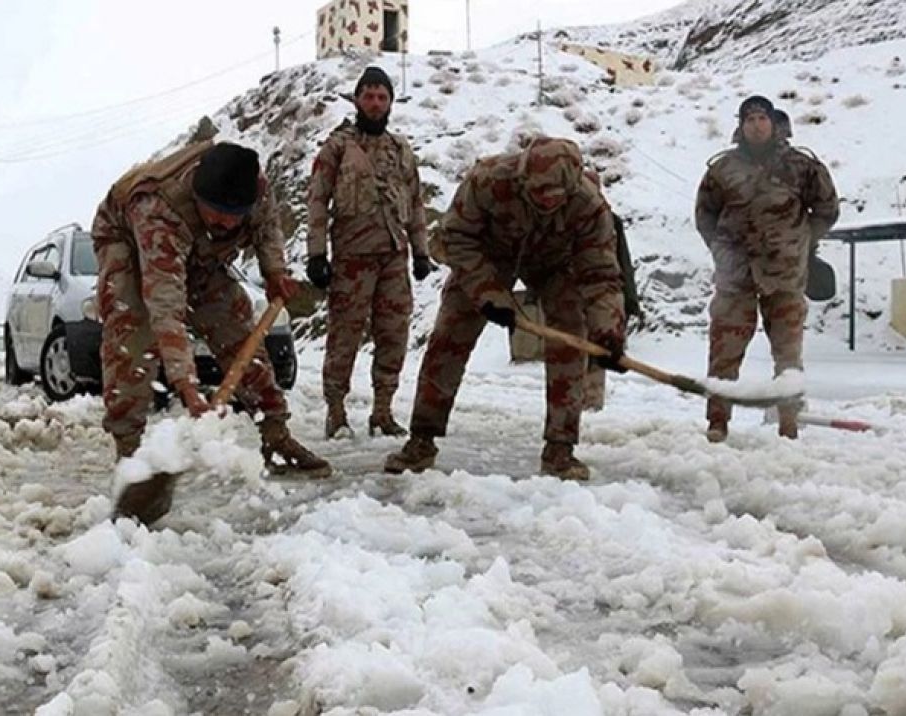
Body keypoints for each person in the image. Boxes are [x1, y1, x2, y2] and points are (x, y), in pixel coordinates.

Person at [92, 140, 331, 523]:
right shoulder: (159, 210)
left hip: (201, 255)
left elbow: (267, 229)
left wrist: (274, 272)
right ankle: (132, 458)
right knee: (131, 338)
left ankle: (276, 437)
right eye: (215, 212)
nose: (223, 223)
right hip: (126, 241)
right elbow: (166, 306)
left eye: (231, 216)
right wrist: (187, 387)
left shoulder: (257, 191)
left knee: (240, 333)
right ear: (198, 195)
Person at [383, 137, 627, 481]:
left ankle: (560, 448)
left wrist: (609, 331)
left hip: (555, 263)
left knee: (572, 337)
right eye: (536, 191)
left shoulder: (589, 206)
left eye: (552, 195)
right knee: (449, 336)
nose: (543, 199)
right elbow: (456, 236)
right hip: (487, 255)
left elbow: (600, 274)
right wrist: (489, 294)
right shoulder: (488, 179)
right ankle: (421, 439)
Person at [694, 95, 839, 442]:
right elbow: (705, 214)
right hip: (736, 279)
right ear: (740, 126)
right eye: (749, 119)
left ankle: (789, 424)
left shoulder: (801, 166)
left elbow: (827, 209)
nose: (756, 125)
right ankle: (717, 424)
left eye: (762, 118)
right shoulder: (722, 169)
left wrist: (801, 242)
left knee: (788, 356)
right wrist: (720, 249)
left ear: (774, 123)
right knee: (723, 354)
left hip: (785, 275)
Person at [306, 66, 433, 439]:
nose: (375, 103)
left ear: (390, 102)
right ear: (357, 99)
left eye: (382, 97)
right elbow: (317, 200)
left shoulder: (401, 151)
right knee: (344, 335)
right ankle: (336, 412)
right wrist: (316, 255)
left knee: (393, 334)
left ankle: (382, 411)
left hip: (394, 257)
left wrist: (421, 252)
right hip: (352, 259)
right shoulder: (337, 147)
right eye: (369, 96)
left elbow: (415, 202)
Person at [583, 211, 643, 410]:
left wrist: (630, 299)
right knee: (571, 356)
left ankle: (592, 406)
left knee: (601, 351)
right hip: (568, 296)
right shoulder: (562, 214)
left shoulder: (609, 219)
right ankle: (570, 411)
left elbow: (622, 260)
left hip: (603, 294)